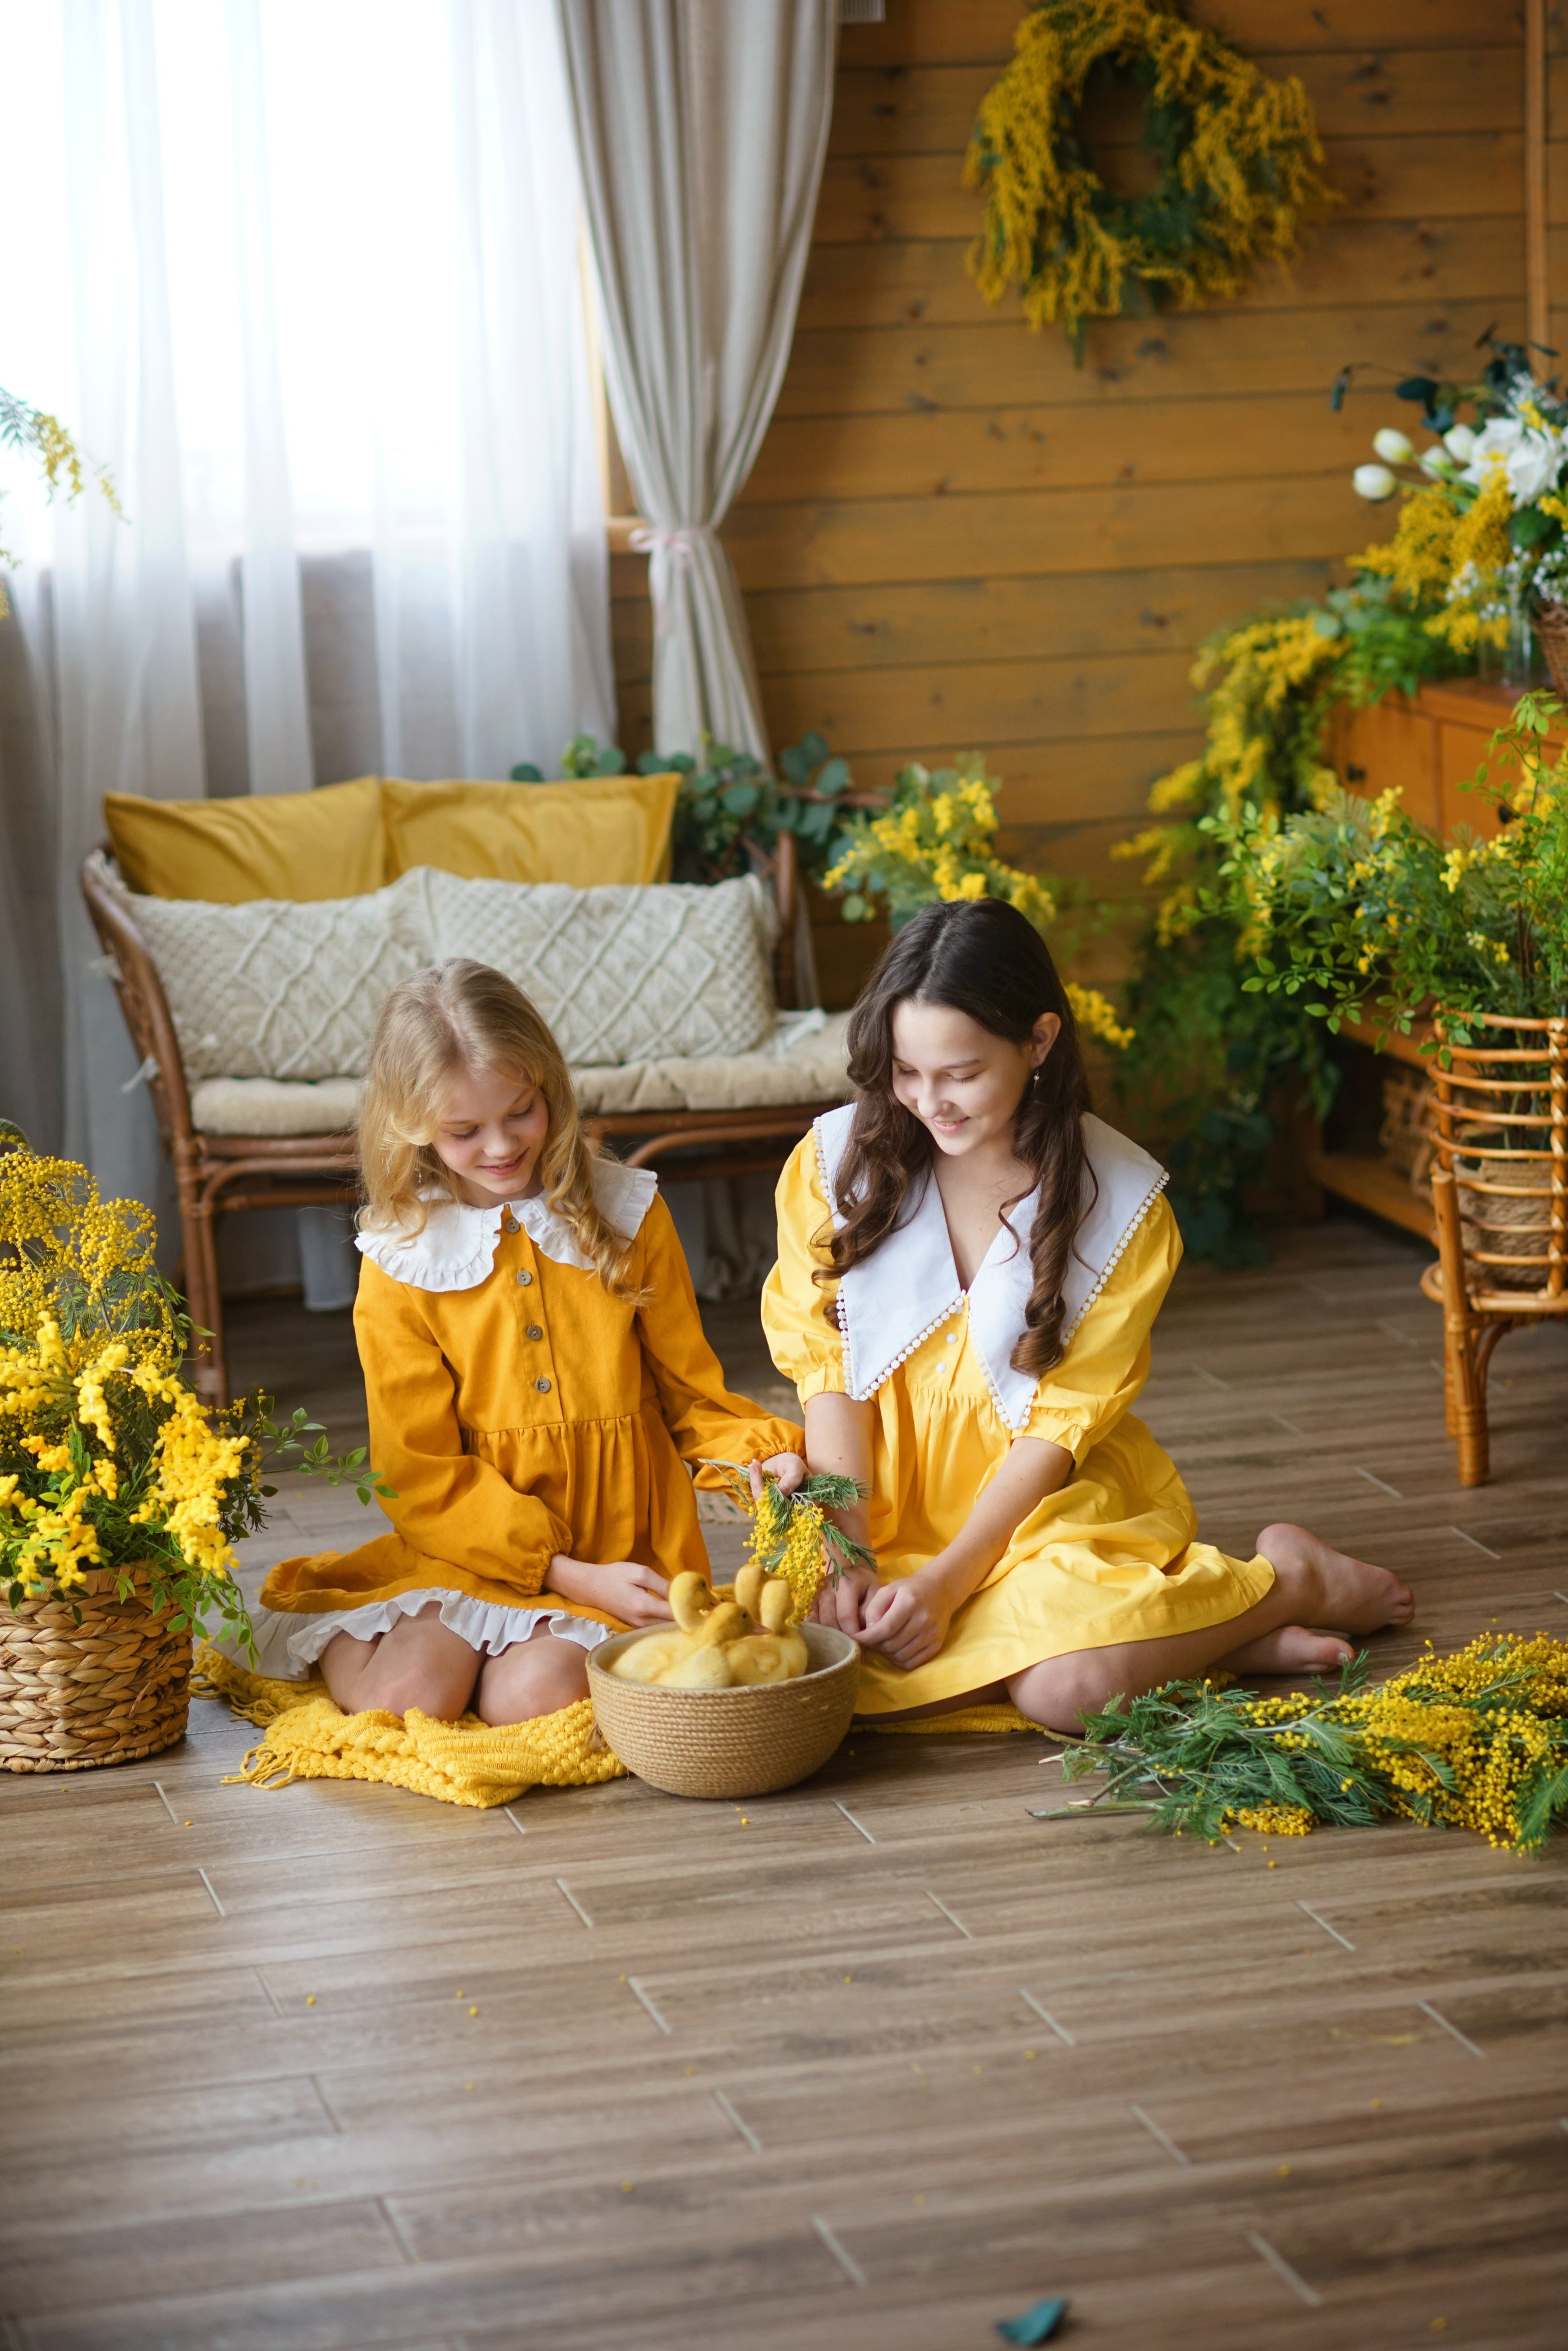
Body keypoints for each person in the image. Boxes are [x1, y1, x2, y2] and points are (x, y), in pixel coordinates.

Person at [761, 898, 1413, 1730]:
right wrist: (847, 1544)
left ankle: (1287, 1583)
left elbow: (1055, 1432)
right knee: (805, 1653)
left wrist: (952, 1578)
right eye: (906, 1069)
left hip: (1036, 1509)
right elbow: (831, 1371)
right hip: (871, 1492)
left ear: (1038, 1041)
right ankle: (1196, 1640)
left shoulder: (1123, 1204)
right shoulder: (832, 1165)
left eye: (961, 1072)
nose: (932, 1100)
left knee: (1062, 1692)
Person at [260, 960, 805, 1726]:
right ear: (413, 1124)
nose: (499, 1145)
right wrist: (557, 1570)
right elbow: (417, 1471)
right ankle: (342, 1644)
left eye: (520, 1112)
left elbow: (692, 1397)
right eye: (464, 1130)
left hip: (622, 1556)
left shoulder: (630, 1216)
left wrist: (761, 1454)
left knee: (535, 1700)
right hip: (470, 1546)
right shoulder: (402, 1256)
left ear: (549, 1084)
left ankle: (495, 1666)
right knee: (407, 1699)